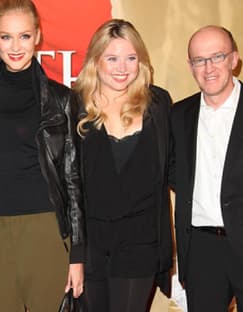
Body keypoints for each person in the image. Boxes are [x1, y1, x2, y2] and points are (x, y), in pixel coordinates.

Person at [0, 0, 85, 311]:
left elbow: (73, 180)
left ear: (38, 36)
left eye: (24, 36)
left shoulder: (61, 99)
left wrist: (77, 254)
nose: (15, 46)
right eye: (6, 37)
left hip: (45, 229)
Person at [74, 19, 173, 312]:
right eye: (112, 58)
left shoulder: (158, 104)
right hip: (91, 244)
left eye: (131, 58)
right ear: (95, 60)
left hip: (140, 242)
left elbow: (176, 166)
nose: (122, 67)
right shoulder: (74, 105)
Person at [169, 25, 243, 312]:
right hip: (201, 251)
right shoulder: (178, 115)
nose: (208, 68)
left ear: (234, 59)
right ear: (190, 66)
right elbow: (175, 173)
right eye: (199, 60)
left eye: (217, 56)